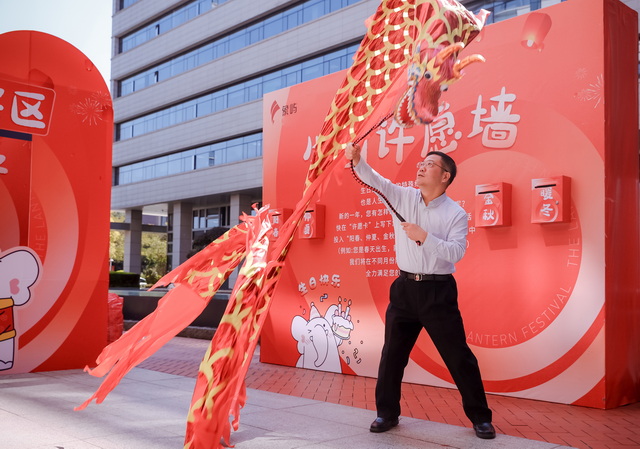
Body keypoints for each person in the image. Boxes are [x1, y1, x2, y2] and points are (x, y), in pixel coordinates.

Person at [345, 142, 495, 439]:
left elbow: (456, 252)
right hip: (403, 290)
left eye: (429, 165)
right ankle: (386, 413)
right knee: (392, 355)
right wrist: (358, 160)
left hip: (438, 292)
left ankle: (481, 417)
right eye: (422, 164)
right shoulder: (403, 197)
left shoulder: (455, 213)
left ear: (445, 176)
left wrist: (424, 237)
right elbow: (376, 180)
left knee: (458, 357)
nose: (421, 167)